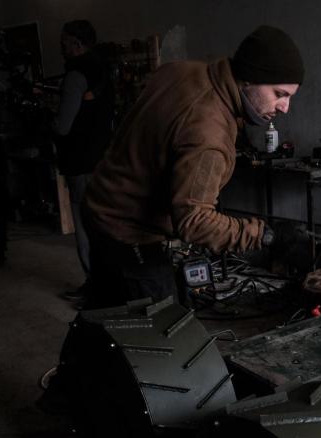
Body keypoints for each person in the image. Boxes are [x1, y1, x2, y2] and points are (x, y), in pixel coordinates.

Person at [82, 25, 303, 307]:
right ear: (248, 79)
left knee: (106, 313)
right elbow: (194, 222)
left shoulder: (180, 71)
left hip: (98, 206)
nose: (285, 107)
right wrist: (264, 234)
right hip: (128, 231)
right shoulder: (209, 133)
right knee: (163, 337)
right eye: (279, 94)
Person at [53, 19, 114, 302]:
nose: (61, 46)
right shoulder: (103, 70)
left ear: (77, 43)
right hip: (103, 160)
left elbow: (63, 126)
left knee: (85, 226)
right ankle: (111, 285)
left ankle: (95, 287)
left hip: (80, 162)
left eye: (65, 41)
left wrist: (48, 123)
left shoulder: (76, 74)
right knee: (104, 224)